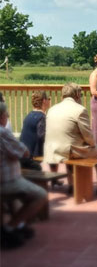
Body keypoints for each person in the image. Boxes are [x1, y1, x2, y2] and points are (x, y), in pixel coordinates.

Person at [44, 83, 97, 195]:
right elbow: (88, 135)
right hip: (69, 150)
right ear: (77, 95)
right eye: (81, 94)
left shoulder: (52, 109)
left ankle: (72, 185)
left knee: (70, 146)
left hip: (52, 149)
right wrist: (92, 145)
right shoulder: (80, 110)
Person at [0, 102, 48, 249]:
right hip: (6, 181)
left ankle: (18, 225)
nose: (7, 116)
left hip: (8, 180)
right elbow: (25, 152)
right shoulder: (3, 132)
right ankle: (10, 228)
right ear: (2, 117)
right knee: (40, 195)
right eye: (6, 114)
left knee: (16, 198)